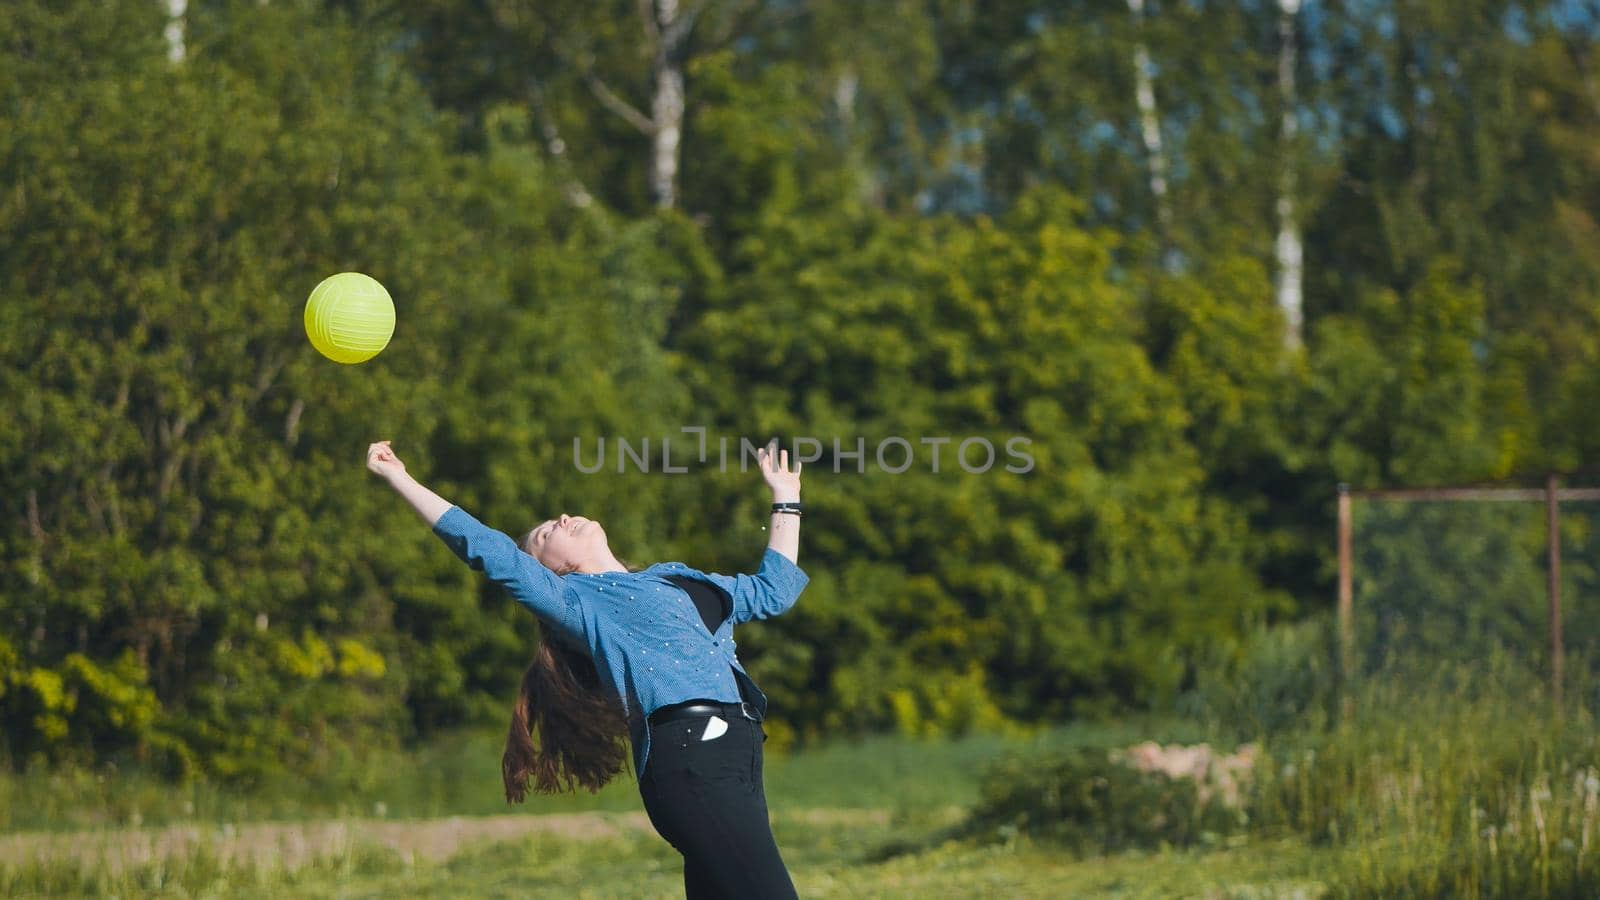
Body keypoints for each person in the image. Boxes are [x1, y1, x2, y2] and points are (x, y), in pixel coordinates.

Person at [366, 439, 807, 899]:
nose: (559, 519)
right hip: (691, 760)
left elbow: (774, 590)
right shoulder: (580, 605)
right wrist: (400, 477)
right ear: (549, 572)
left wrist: (784, 496)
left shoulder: (674, 579)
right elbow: (485, 549)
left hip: (738, 758)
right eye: (543, 537)